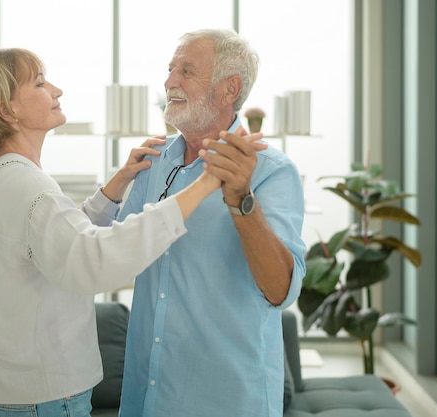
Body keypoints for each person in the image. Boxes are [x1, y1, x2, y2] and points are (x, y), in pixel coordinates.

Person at [0, 47, 265, 417]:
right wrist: (205, 183)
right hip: (44, 400)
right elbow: (93, 260)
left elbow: (56, 244)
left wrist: (117, 184)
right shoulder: (28, 187)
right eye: (39, 83)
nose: (56, 90)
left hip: (10, 394)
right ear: (7, 110)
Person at [117, 29, 307, 417]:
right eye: (170, 69)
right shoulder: (151, 163)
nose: (170, 81)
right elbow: (113, 254)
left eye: (187, 71)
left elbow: (281, 291)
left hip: (226, 399)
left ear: (229, 89)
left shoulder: (272, 171)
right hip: (145, 395)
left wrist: (241, 200)